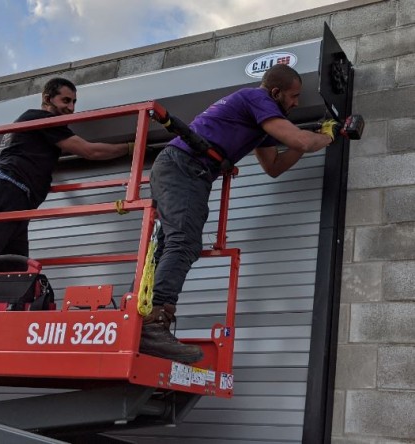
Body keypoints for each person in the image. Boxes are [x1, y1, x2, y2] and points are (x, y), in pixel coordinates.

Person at [140, 63, 339, 364]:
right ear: (275, 92)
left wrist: (311, 138)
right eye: (294, 96)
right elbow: (299, 140)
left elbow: (273, 167)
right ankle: (152, 325)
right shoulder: (256, 99)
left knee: (170, 245)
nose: (297, 103)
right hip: (183, 167)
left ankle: (141, 318)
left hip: (186, 170)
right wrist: (330, 135)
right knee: (184, 243)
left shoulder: (260, 120)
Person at [0, 77, 133, 312]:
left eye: (74, 102)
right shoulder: (41, 118)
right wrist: (132, 147)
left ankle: (5, 321)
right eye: (65, 100)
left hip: (15, 198)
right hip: (6, 191)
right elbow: (89, 151)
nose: (70, 108)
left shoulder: (32, 126)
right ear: (47, 98)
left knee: (13, 270)